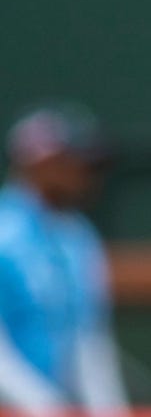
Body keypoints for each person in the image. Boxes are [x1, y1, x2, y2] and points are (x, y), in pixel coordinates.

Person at [0, 102, 129, 414]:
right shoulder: (5, 230)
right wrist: (44, 407)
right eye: (73, 161)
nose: (86, 174)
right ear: (40, 162)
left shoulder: (79, 236)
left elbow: (88, 338)